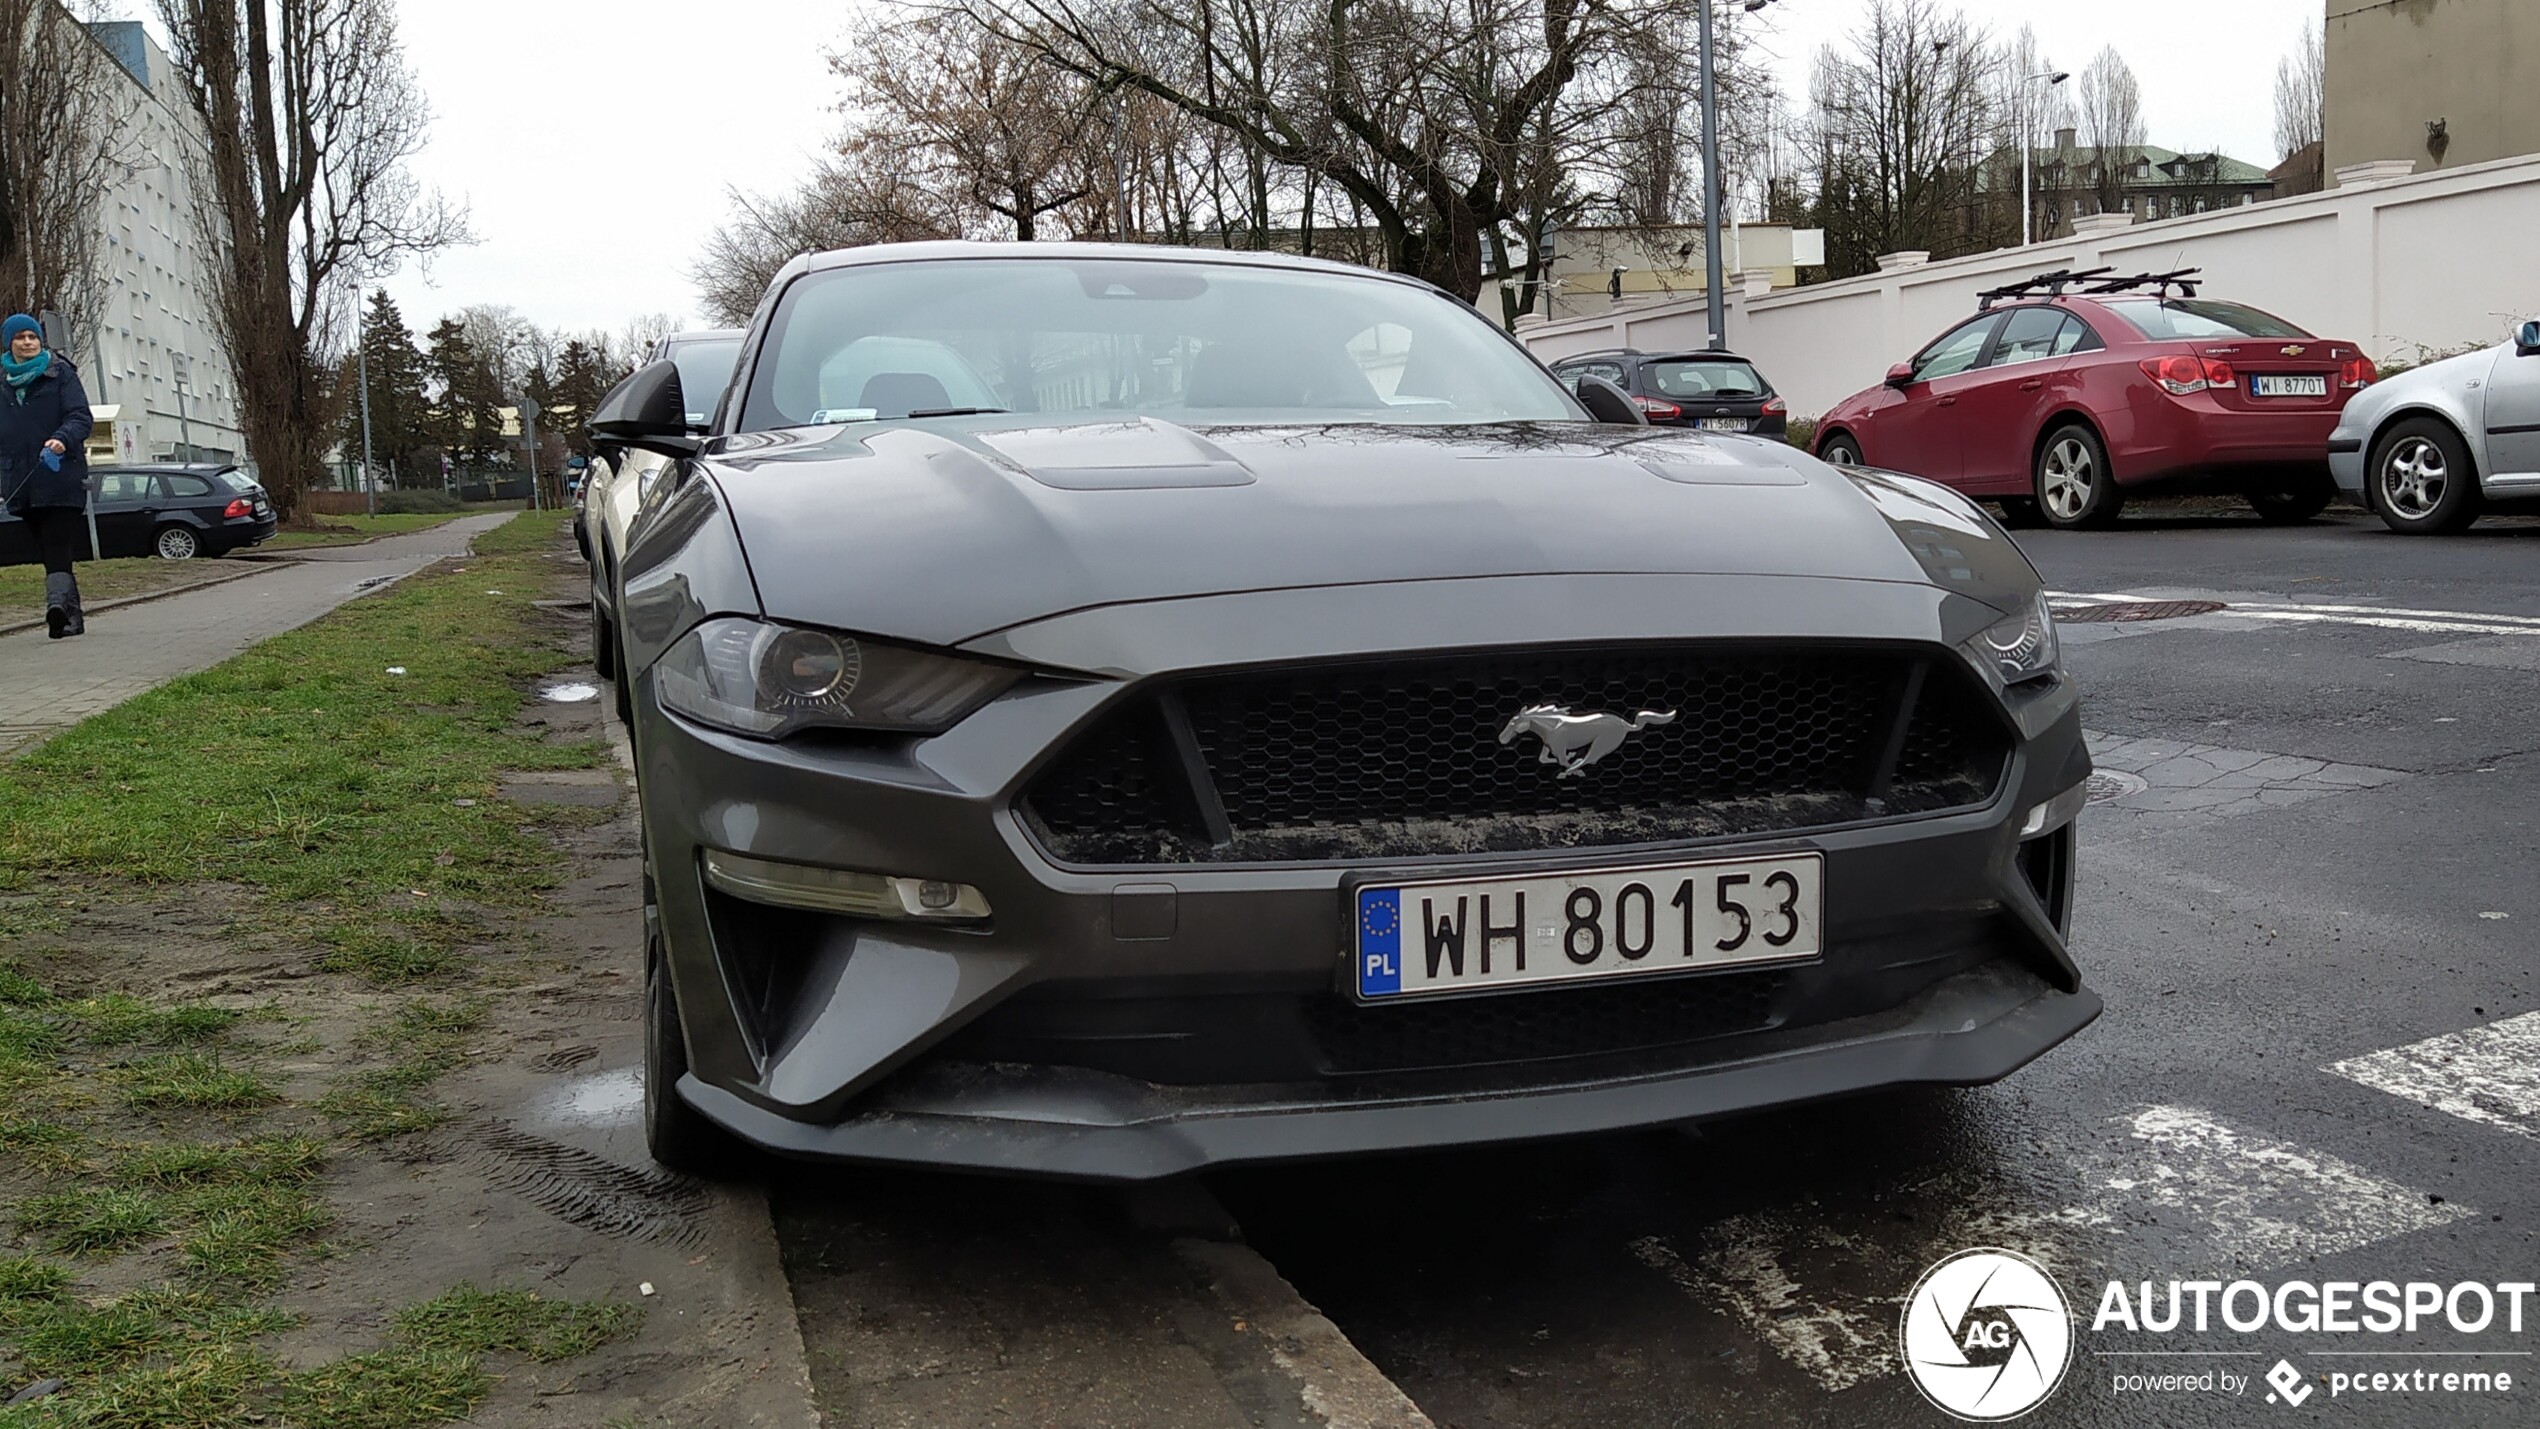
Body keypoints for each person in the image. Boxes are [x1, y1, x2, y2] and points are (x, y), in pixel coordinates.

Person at [0, 313, 93, 638]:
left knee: (56, 540)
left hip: (60, 473)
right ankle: (71, 617)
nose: (27, 342)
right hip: (20, 481)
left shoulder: (60, 374)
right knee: (47, 546)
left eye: (33, 337)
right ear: (9, 342)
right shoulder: (3, 382)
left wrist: (61, 439)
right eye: (20, 337)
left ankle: (57, 609)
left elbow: (81, 417)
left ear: (41, 340)